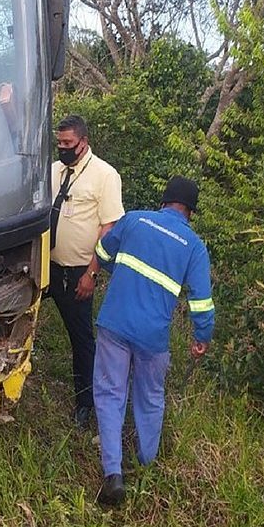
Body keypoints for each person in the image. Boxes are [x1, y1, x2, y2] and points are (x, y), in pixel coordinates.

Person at [91, 176, 215, 506]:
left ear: (163, 200)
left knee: (109, 394)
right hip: (153, 337)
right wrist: (202, 337)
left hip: (115, 323)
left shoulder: (134, 220)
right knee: (150, 398)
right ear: (191, 211)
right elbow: (201, 301)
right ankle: (147, 465)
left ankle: (113, 474)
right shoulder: (194, 246)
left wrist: (112, 270)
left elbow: (102, 251)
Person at [48, 115, 124, 428]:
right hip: (46, 265)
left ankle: (85, 403)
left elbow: (110, 227)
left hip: (79, 270)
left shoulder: (105, 175)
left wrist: (92, 272)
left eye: (68, 144)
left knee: (81, 339)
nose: (63, 149)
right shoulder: (54, 170)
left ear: (84, 142)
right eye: (59, 143)